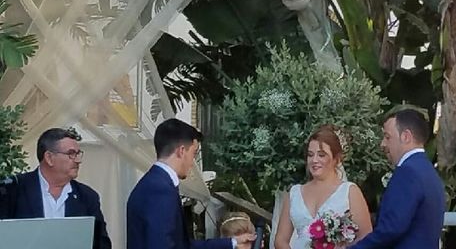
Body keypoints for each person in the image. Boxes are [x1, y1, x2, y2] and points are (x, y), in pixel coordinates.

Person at [126, 118, 256, 249]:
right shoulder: (160, 191)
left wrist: (233, 243)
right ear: (181, 151)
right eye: (194, 153)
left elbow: (181, 245)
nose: (192, 162)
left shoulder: (154, 183)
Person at [0, 127, 111, 249]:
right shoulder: (13, 190)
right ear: (49, 158)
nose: (78, 161)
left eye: (78, 154)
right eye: (71, 154)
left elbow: (102, 244)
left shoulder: (87, 197)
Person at [349, 109, 445, 249]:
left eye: (387, 137)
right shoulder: (427, 171)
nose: (383, 144)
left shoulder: (408, 172)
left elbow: (391, 228)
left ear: (406, 136)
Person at [274, 125, 373, 249]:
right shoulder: (294, 193)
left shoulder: (349, 192)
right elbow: (280, 240)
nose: (314, 160)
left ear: (336, 159)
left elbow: (365, 237)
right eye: (310, 155)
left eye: (321, 155)